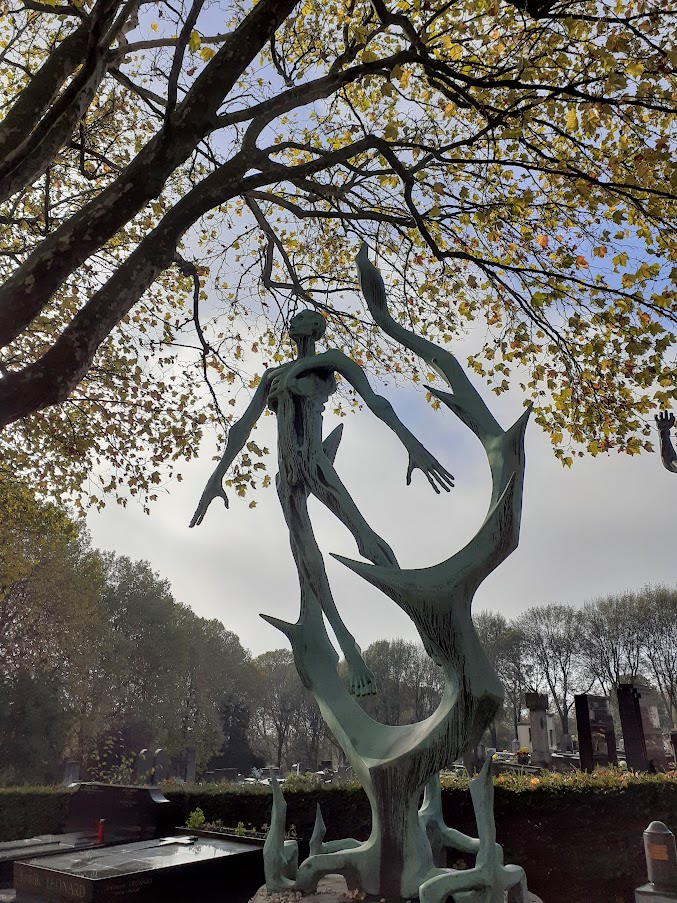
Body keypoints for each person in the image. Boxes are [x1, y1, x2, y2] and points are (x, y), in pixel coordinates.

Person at [190, 308, 454, 696]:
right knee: (307, 558)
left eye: (300, 319)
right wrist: (216, 476)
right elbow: (240, 428)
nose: (292, 324)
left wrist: (412, 445)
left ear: (314, 328)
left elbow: (376, 401)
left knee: (365, 538)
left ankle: (425, 627)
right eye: (292, 320)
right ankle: (349, 648)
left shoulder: (331, 363)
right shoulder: (272, 376)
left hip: (315, 463)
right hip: (287, 475)